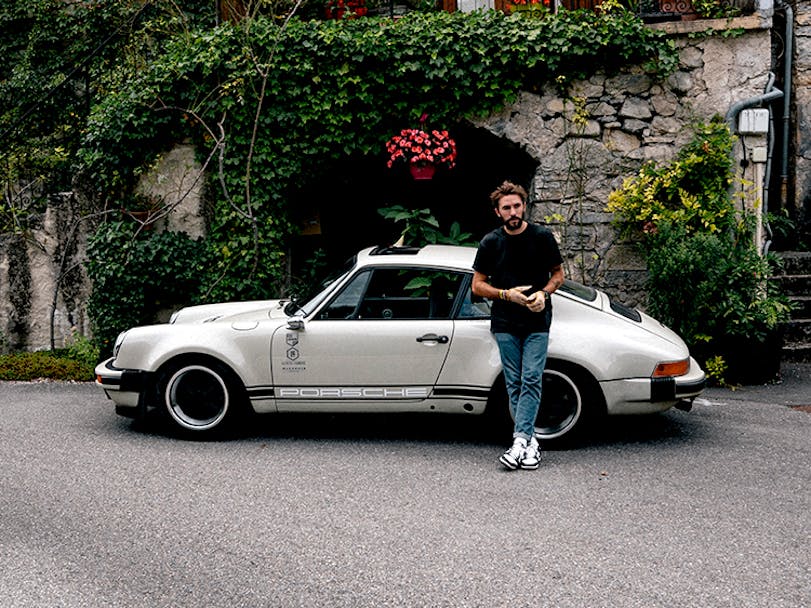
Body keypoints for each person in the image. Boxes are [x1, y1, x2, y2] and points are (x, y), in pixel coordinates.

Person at [472, 181, 564, 470]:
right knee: (514, 382)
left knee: (532, 379)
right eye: (506, 208)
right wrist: (505, 294)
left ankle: (519, 441)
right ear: (498, 212)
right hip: (504, 323)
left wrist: (544, 294)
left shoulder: (542, 237)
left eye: (517, 206)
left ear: (524, 206)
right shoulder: (491, 242)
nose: (513, 212)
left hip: (537, 320)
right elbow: (477, 285)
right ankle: (530, 443)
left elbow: (558, 275)